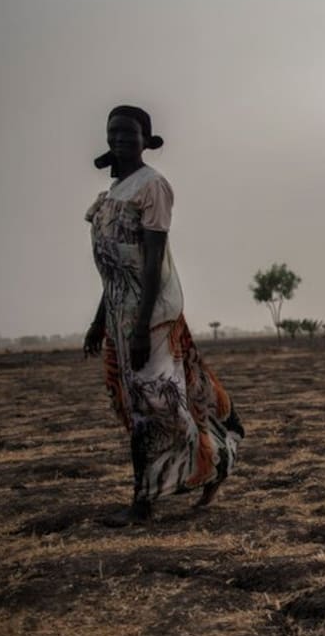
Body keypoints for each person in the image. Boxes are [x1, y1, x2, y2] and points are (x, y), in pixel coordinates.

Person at [84, 106, 244, 526]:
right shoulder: (112, 193)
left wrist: (140, 326)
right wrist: (100, 319)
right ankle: (205, 467)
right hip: (120, 315)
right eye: (113, 132)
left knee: (156, 403)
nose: (119, 139)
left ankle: (146, 500)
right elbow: (114, 269)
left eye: (129, 133)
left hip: (150, 317)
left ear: (145, 139)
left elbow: (152, 261)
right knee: (134, 403)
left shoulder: (152, 186)